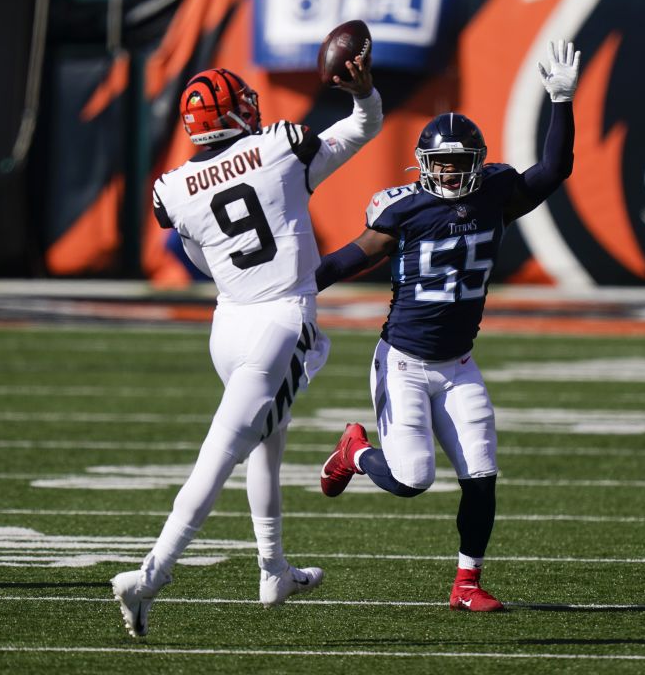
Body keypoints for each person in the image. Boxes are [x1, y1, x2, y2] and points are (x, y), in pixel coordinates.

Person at [111, 58, 382, 636]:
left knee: (267, 439)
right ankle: (150, 576)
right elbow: (361, 128)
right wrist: (364, 96)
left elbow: (196, 255)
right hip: (279, 322)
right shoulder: (283, 147)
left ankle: (273, 569)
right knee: (222, 452)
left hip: (228, 324)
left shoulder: (172, 189)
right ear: (235, 112)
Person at [314, 41, 580, 612]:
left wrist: (561, 98)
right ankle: (354, 451)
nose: (454, 174)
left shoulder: (496, 194)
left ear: (478, 162)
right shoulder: (403, 210)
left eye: (463, 164)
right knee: (412, 479)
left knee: (481, 473)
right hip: (404, 362)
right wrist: (292, 291)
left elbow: (555, 169)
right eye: (444, 165)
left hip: (459, 364)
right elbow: (347, 260)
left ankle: (467, 583)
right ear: (425, 165)